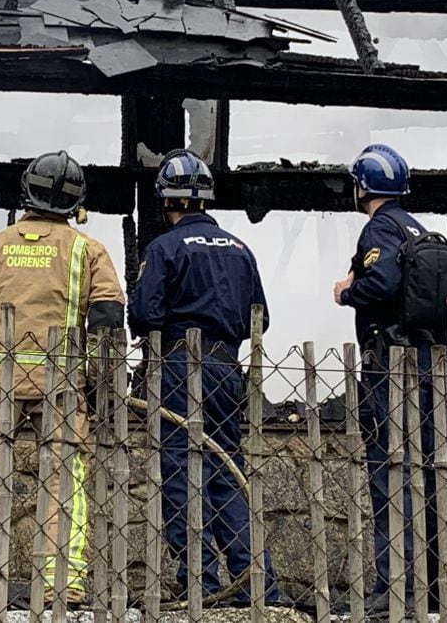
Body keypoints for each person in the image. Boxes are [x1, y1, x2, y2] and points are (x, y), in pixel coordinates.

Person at [0, 151, 125, 602]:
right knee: (63, 478)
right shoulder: (86, 250)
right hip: (61, 383)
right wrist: (96, 380)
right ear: (77, 202)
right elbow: (107, 318)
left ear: (25, 192)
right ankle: (63, 583)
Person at [128, 148, 282, 605]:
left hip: (179, 365)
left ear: (165, 201)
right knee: (225, 472)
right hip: (226, 369)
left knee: (180, 467)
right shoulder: (240, 249)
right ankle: (256, 585)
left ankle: (199, 583)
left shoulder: (165, 248)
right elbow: (262, 317)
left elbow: (145, 312)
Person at [333, 144, 444, 612]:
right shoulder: (415, 225)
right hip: (423, 366)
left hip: (389, 367)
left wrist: (346, 292)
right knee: (431, 478)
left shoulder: (379, 227)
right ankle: (436, 585)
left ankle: (395, 585)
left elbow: (381, 285)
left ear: (362, 186)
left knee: (389, 476)